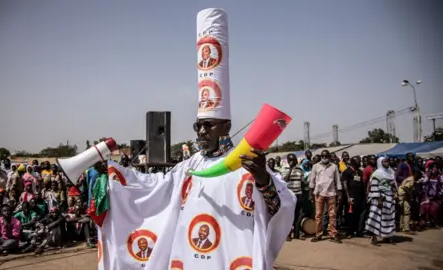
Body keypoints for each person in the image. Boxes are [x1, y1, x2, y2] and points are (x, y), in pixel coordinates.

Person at [87, 10, 295, 269]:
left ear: (226, 126)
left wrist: (263, 180)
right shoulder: (191, 165)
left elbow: (283, 207)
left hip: (232, 259)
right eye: (198, 125)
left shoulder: (247, 164)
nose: (201, 131)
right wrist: (113, 178)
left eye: (209, 125)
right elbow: (155, 188)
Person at [309, 150, 342, 243]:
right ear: (321, 157)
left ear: (329, 157)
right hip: (319, 193)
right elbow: (312, 180)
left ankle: (333, 234)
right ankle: (318, 234)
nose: (324, 158)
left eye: (326, 156)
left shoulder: (334, 167)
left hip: (331, 193)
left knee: (332, 214)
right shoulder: (316, 166)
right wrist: (310, 194)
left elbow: (338, 181)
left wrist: (339, 194)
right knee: (318, 215)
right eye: (323, 156)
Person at [365, 157, 396, 245]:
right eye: (385, 161)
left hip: (389, 198)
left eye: (387, 161)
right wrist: (379, 199)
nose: (387, 163)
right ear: (380, 163)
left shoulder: (390, 172)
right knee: (376, 217)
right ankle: (374, 237)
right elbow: (374, 186)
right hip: (379, 198)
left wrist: (393, 194)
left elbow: (392, 185)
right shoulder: (377, 174)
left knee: (388, 217)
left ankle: (387, 236)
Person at [281, 153, 305, 240]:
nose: (293, 161)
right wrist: (290, 169)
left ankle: (296, 234)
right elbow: (284, 180)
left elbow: (302, 182)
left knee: (298, 215)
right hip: (289, 195)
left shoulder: (300, 169)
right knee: (289, 215)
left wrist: (302, 193)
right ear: (288, 161)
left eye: (294, 159)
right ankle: (288, 235)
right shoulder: (284, 169)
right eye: (291, 160)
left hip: (299, 194)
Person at [341, 157, 365, 238]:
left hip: (359, 196)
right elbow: (345, 184)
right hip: (351, 196)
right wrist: (348, 197)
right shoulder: (347, 171)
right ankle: (349, 232)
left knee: (358, 214)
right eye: (358, 161)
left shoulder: (359, 172)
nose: (360, 162)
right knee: (350, 215)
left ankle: (358, 231)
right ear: (353, 162)